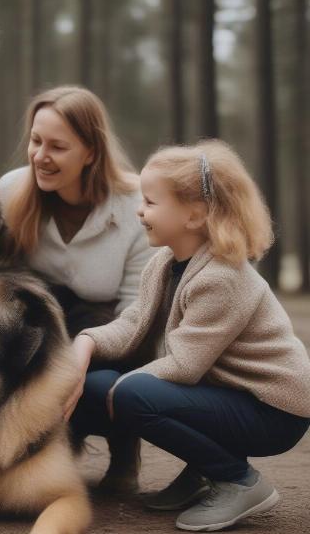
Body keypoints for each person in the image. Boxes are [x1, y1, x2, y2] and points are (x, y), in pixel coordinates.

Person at [68, 139, 310, 531]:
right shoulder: (165, 262)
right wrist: (86, 343)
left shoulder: (222, 277)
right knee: (94, 385)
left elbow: (185, 364)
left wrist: (124, 389)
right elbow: (132, 325)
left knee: (131, 394)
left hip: (273, 412)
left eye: (150, 202)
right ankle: (202, 471)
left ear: (195, 216)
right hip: (229, 395)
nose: (139, 210)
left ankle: (237, 481)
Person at [0, 86, 154, 490]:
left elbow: (138, 314)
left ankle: (122, 455)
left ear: (91, 152)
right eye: (35, 141)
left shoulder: (136, 204)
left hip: (113, 335)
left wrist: (81, 356)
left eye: (58, 147)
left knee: (107, 377)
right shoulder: (13, 190)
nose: (40, 156)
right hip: (43, 324)